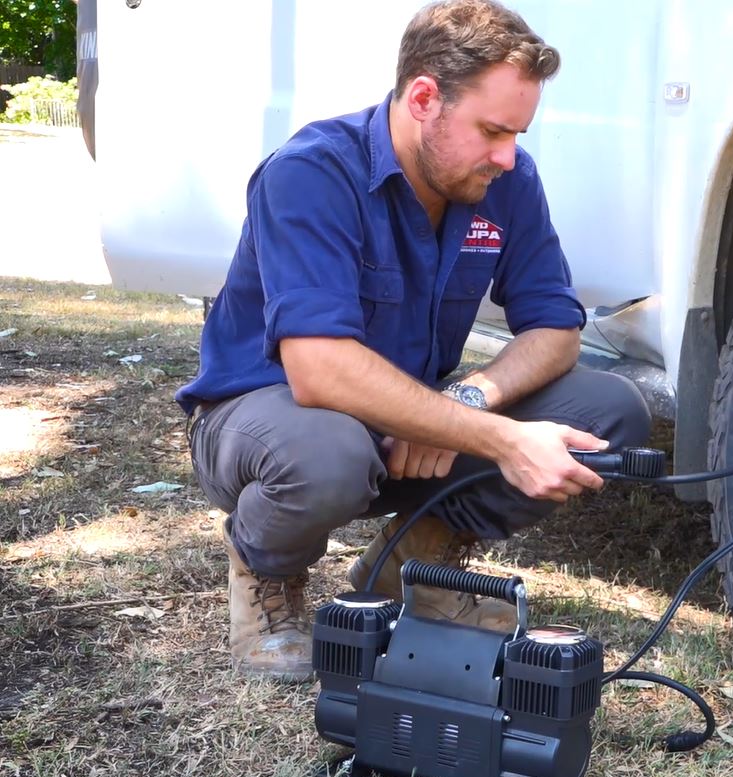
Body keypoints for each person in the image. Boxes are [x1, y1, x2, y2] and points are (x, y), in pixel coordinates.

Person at [175, 0, 650, 682]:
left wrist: (469, 400)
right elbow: (319, 372)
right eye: (492, 130)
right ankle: (266, 570)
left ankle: (409, 567)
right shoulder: (312, 172)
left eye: (517, 134)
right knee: (327, 452)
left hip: (408, 428)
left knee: (608, 416)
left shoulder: (505, 181)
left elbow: (556, 329)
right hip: (271, 422)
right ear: (424, 97)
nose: (508, 155)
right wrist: (495, 437)